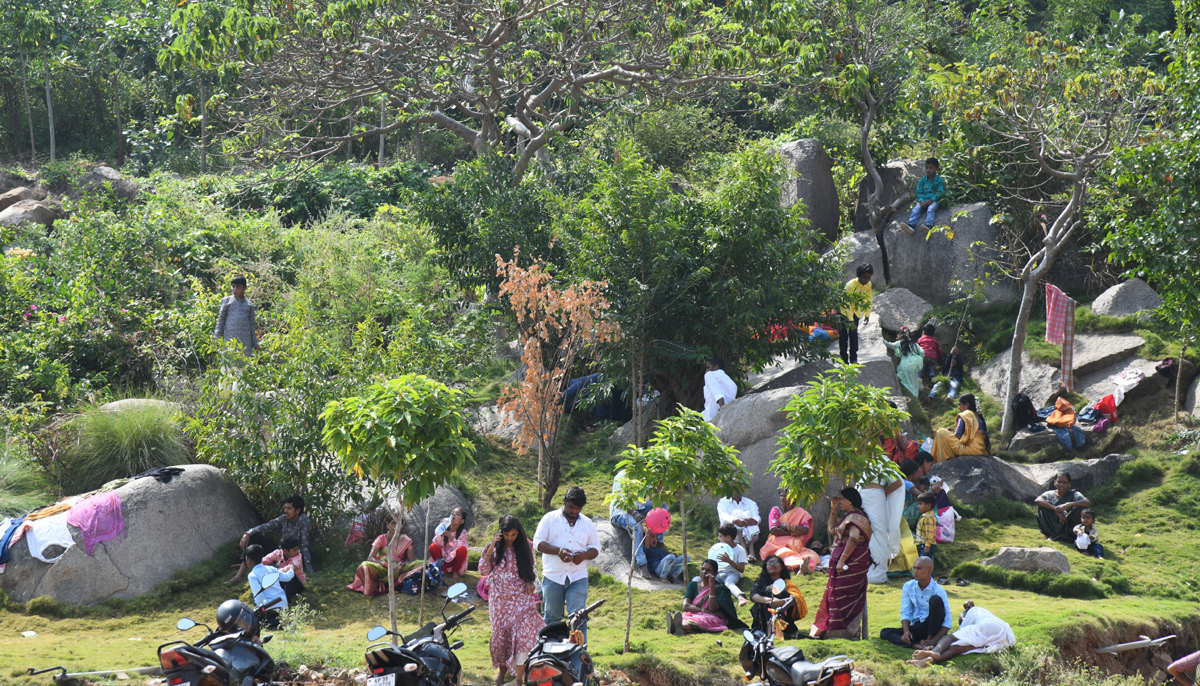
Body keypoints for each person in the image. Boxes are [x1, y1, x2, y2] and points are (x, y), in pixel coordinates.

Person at [479, 515, 544, 686]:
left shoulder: (523, 548)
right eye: (507, 534)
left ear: (518, 534)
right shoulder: (493, 549)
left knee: (522, 637)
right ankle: (502, 673)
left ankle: (519, 679)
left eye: (513, 535)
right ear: (501, 533)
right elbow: (483, 570)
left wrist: (530, 582)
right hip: (499, 602)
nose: (510, 538)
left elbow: (530, 571)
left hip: (520, 600)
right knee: (501, 638)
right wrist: (493, 545)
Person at [533, 487, 600, 637]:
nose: (574, 512)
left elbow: (595, 549)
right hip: (553, 576)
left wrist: (584, 555)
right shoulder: (549, 519)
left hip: (578, 576)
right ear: (564, 502)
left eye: (578, 509)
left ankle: (579, 654)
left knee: (578, 617)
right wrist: (558, 551)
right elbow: (538, 543)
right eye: (571, 507)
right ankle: (551, 653)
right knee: (552, 617)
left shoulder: (587, 523)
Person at [810, 488, 873, 640]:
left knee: (841, 594)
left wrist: (842, 560)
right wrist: (833, 510)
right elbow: (832, 530)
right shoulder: (848, 516)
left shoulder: (856, 517)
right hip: (841, 564)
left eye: (841, 499)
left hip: (852, 564)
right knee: (834, 594)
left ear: (849, 501)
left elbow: (853, 539)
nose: (839, 501)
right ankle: (834, 631)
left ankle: (848, 633)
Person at [228, 495, 313, 584]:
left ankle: (245, 568)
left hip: (293, 555)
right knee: (254, 537)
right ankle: (242, 569)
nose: (285, 511)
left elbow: (304, 545)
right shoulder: (284, 518)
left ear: (298, 510)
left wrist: (310, 569)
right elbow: (266, 526)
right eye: (285, 508)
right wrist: (248, 533)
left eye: (289, 508)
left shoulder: (304, 520)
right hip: (280, 552)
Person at [908, 601, 1016, 668]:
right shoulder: (981, 612)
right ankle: (929, 660)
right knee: (955, 648)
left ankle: (935, 652)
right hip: (1002, 637)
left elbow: (953, 637)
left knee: (948, 637)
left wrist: (934, 647)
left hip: (990, 626)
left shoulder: (973, 612)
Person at [879, 557, 951, 647]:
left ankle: (930, 641)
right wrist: (906, 632)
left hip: (934, 629)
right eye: (914, 568)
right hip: (918, 627)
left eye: (919, 569)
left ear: (929, 571)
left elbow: (947, 622)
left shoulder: (938, 590)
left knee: (935, 600)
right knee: (885, 632)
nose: (915, 572)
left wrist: (931, 641)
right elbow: (906, 611)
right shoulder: (908, 586)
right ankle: (916, 645)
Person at [666, 559, 748, 635]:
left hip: (714, 618)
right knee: (687, 616)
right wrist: (704, 611)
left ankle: (677, 626)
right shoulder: (693, 585)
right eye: (702, 569)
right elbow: (686, 606)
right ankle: (680, 628)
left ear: (715, 574)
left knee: (703, 620)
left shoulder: (720, 589)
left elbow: (712, 609)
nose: (704, 572)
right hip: (695, 614)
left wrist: (711, 585)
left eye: (708, 570)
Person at [347, 516, 420, 596]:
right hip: (382, 568)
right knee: (365, 565)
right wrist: (386, 564)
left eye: (399, 523)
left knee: (422, 564)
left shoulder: (406, 540)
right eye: (393, 523)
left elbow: (412, 561)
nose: (396, 526)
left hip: (398, 569)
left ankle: (399, 582)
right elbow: (370, 558)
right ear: (387, 524)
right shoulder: (381, 538)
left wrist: (402, 565)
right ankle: (374, 587)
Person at [758, 488, 820, 574]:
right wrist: (792, 532)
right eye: (781, 496)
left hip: (796, 545)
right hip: (777, 544)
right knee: (784, 553)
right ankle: (800, 566)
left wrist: (786, 526)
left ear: (794, 498)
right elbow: (773, 530)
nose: (783, 498)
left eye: (786, 496)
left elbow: (805, 530)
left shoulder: (800, 512)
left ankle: (802, 567)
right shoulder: (776, 510)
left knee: (812, 556)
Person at [609, 469, 655, 579]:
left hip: (638, 509)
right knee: (637, 526)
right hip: (621, 512)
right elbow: (620, 500)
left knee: (661, 504)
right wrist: (634, 513)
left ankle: (657, 542)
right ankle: (642, 563)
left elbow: (650, 496)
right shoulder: (622, 476)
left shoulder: (645, 475)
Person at [749, 555, 808, 639]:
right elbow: (753, 596)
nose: (772, 564)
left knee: (783, 593)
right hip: (762, 624)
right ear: (766, 568)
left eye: (775, 562)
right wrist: (771, 601)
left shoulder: (788, 583)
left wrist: (783, 602)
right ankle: (768, 631)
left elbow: (796, 597)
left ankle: (782, 630)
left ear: (782, 567)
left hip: (784, 614)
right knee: (764, 597)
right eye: (769, 563)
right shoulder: (760, 583)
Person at [861, 475, 904, 584]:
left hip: (877, 497)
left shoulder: (883, 462)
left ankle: (878, 574)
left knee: (879, 531)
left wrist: (885, 492)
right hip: (862, 496)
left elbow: (898, 482)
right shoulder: (862, 462)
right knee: (864, 530)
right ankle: (865, 571)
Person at [930, 394, 990, 462]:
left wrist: (950, 433)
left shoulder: (966, 414)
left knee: (941, 432)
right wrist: (953, 431)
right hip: (981, 450)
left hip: (969, 450)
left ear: (966, 404)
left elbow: (958, 436)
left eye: (959, 404)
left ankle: (938, 460)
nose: (958, 407)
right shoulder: (978, 416)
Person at [245, 544, 294, 627]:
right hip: (283, 605)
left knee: (256, 623)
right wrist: (291, 569)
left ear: (249, 560)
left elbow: (258, 596)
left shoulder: (252, 575)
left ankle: (282, 622)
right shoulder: (271, 569)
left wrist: (258, 611)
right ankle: (286, 618)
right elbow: (287, 577)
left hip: (270, 608)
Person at [1035, 472, 1091, 543]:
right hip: (1053, 521)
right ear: (1055, 482)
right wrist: (1056, 509)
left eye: (1065, 482)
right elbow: (1038, 500)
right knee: (1042, 507)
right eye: (1059, 482)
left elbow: (1087, 502)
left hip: (1069, 523)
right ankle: (1053, 534)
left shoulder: (1074, 494)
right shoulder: (1050, 494)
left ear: (1069, 484)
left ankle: (1072, 534)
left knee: (1082, 509)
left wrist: (1068, 505)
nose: (1062, 485)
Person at [214, 274, 260, 356]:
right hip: (229, 340)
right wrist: (217, 338)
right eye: (233, 286)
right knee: (229, 364)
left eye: (238, 287)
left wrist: (255, 343)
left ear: (245, 288)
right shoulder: (226, 301)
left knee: (244, 365)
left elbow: (251, 326)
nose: (235, 289)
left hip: (245, 342)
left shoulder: (249, 305)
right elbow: (220, 321)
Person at [838, 264, 874, 365]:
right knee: (843, 336)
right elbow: (847, 304)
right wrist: (850, 320)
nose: (866, 280)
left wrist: (867, 313)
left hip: (856, 312)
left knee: (853, 335)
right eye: (864, 277)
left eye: (868, 278)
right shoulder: (850, 285)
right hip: (844, 311)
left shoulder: (868, 285)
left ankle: (854, 359)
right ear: (859, 275)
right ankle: (843, 360)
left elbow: (868, 298)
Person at [899, 158, 946, 234]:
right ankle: (910, 225)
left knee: (930, 209)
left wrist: (932, 199)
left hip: (934, 201)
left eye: (931, 168)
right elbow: (919, 192)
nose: (928, 170)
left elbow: (941, 192)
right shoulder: (922, 180)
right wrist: (921, 200)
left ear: (936, 169)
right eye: (926, 167)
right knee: (916, 209)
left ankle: (929, 225)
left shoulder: (940, 180)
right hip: (923, 201)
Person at [709, 523, 750, 605]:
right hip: (719, 572)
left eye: (720, 536)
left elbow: (742, 569)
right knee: (709, 580)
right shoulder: (719, 549)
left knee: (728, 583)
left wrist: (729, 561)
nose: (718, 538)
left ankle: (741, 597)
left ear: (728, 538)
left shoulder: (739, 550)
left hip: (733, 573)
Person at [643, 508, 687, 583]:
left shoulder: (659, 549)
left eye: (656, 537)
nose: (655, 539)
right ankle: (662, 577)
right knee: (671, 556)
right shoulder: (646, 548)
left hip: (668, 569)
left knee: (686, 557)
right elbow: (647, 546)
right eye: (652, 537)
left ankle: (674, 576)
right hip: (658, 570)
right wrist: (647, 535)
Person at [262, 536, 305, 605]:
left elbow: (293, 567)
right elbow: (263, 561)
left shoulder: (298, 556)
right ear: (285, 551)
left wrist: (274, 572)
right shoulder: (277, 553)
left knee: (290, 575)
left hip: (296, 585)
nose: (297, 551)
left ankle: (287, 601)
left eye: (298, 549)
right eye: (294, 550)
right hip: (282, 582)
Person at [883, 328, 926, 398]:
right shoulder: (914, 344)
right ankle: (915, 396)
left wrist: (882, 339)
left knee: (904, 379)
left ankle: (908, 394)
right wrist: (917, 358)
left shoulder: (900, 343)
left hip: (906, 363)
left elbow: (890, 345)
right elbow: (922, 352)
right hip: (917, 362)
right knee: (913, 380)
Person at [716, 492, 760, 559]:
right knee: (736, 514)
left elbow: (757, 517)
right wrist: (735, 521)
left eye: (739, 487)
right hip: (731, 535)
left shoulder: (751, 503)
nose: (736, 490)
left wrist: (753, 520)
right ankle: (744, 551)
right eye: (734, 487)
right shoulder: (723, 501)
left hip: (749, 536)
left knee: (748, 514)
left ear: (743, 489)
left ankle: (751, 549)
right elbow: (723, 516)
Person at [429, 507, 470, 579]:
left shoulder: (463, 532)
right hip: (444, 559)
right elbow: (437, 543)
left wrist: (449, 535)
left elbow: (461, 546)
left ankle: (455, 571)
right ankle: (443, 569)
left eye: (457, 514)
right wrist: (441, 529)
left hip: (454, 560)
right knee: (432, 547)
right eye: (452, 513)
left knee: (463, 549)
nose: (453, 515)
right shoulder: (445, 528)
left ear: (462, 521)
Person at [703, 358, 739, 422]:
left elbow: (719, 395)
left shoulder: (709, 374)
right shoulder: (732, 383)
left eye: (708, 367)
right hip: (729, 412)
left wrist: (722, 416)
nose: (706, 371)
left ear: (716, 367)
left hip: (713, 416)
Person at [913, 493, 938, 561]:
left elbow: (929, 532)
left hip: (925, 545)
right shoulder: (925, 516)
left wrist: (927, 546)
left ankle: (929, 572)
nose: (918, 506)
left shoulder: (928, 517)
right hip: (922, 544)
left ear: (928, 505)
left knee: (925, 563)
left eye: (920, 504)